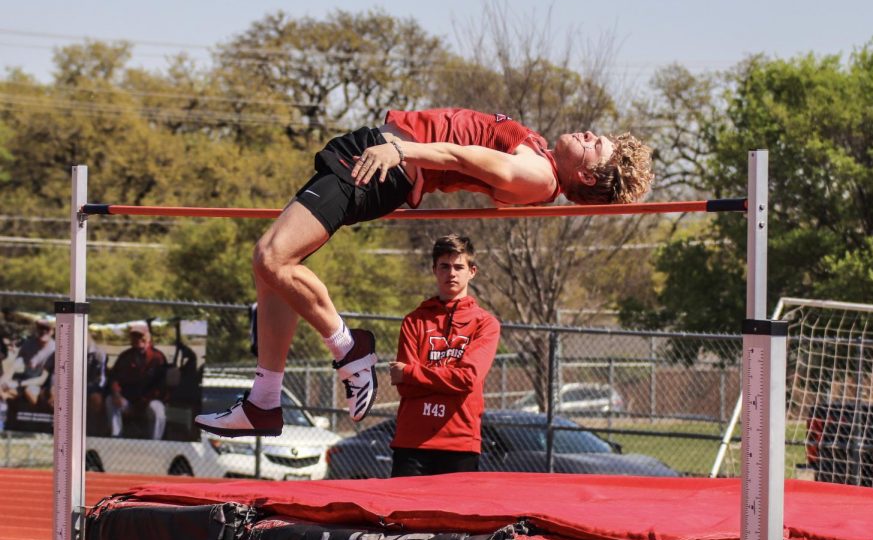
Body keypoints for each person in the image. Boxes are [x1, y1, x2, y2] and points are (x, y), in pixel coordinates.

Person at [195, 108, 653, 438]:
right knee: (273, 269)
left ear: (589, 177)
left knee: (273, 257)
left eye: (597, 146)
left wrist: (399, 149)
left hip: (385, 162)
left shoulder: (538, 175)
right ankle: (265, 402)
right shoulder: (541, 157)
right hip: (382, 153)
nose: (591, 134)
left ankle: (349, 348)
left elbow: (459, 157)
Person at [389, 234, 500, 476]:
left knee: (452, 514)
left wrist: (410, 373)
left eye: (459, 266)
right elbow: (405, 388)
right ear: (434, 270)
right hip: (412, 442)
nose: (452, 273)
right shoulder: (414, 320)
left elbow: (468, 378)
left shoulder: (485, 324)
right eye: (445, 266)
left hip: (460, 442)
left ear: (472, 271)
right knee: (402, 514)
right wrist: (449, 380)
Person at [105, 321, 168, 439]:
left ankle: (154, 443)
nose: (138, 339)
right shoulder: (125, 356)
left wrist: (142, 403)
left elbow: (161, 386)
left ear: (148, 337)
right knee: (110, 400)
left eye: (141, 336)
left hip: (149, 402)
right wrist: (117, 394)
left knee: (158, 409)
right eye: (134, 336)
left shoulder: (157, 357)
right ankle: (116, 438)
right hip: (128, 402)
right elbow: (114, 378)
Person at [0, 318, 55, 407]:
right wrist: (2, 382)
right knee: (3, 388)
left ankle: (35, 415)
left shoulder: (54, 349)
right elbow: (14, 367)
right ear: (37, 329)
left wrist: (18, 383)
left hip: (42, 385)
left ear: (52, 331)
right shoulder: (28, 344)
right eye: (41, 328)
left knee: (29, 391)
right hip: (25, 379)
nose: (43, 331)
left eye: (47, 329)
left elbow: (42, 379)